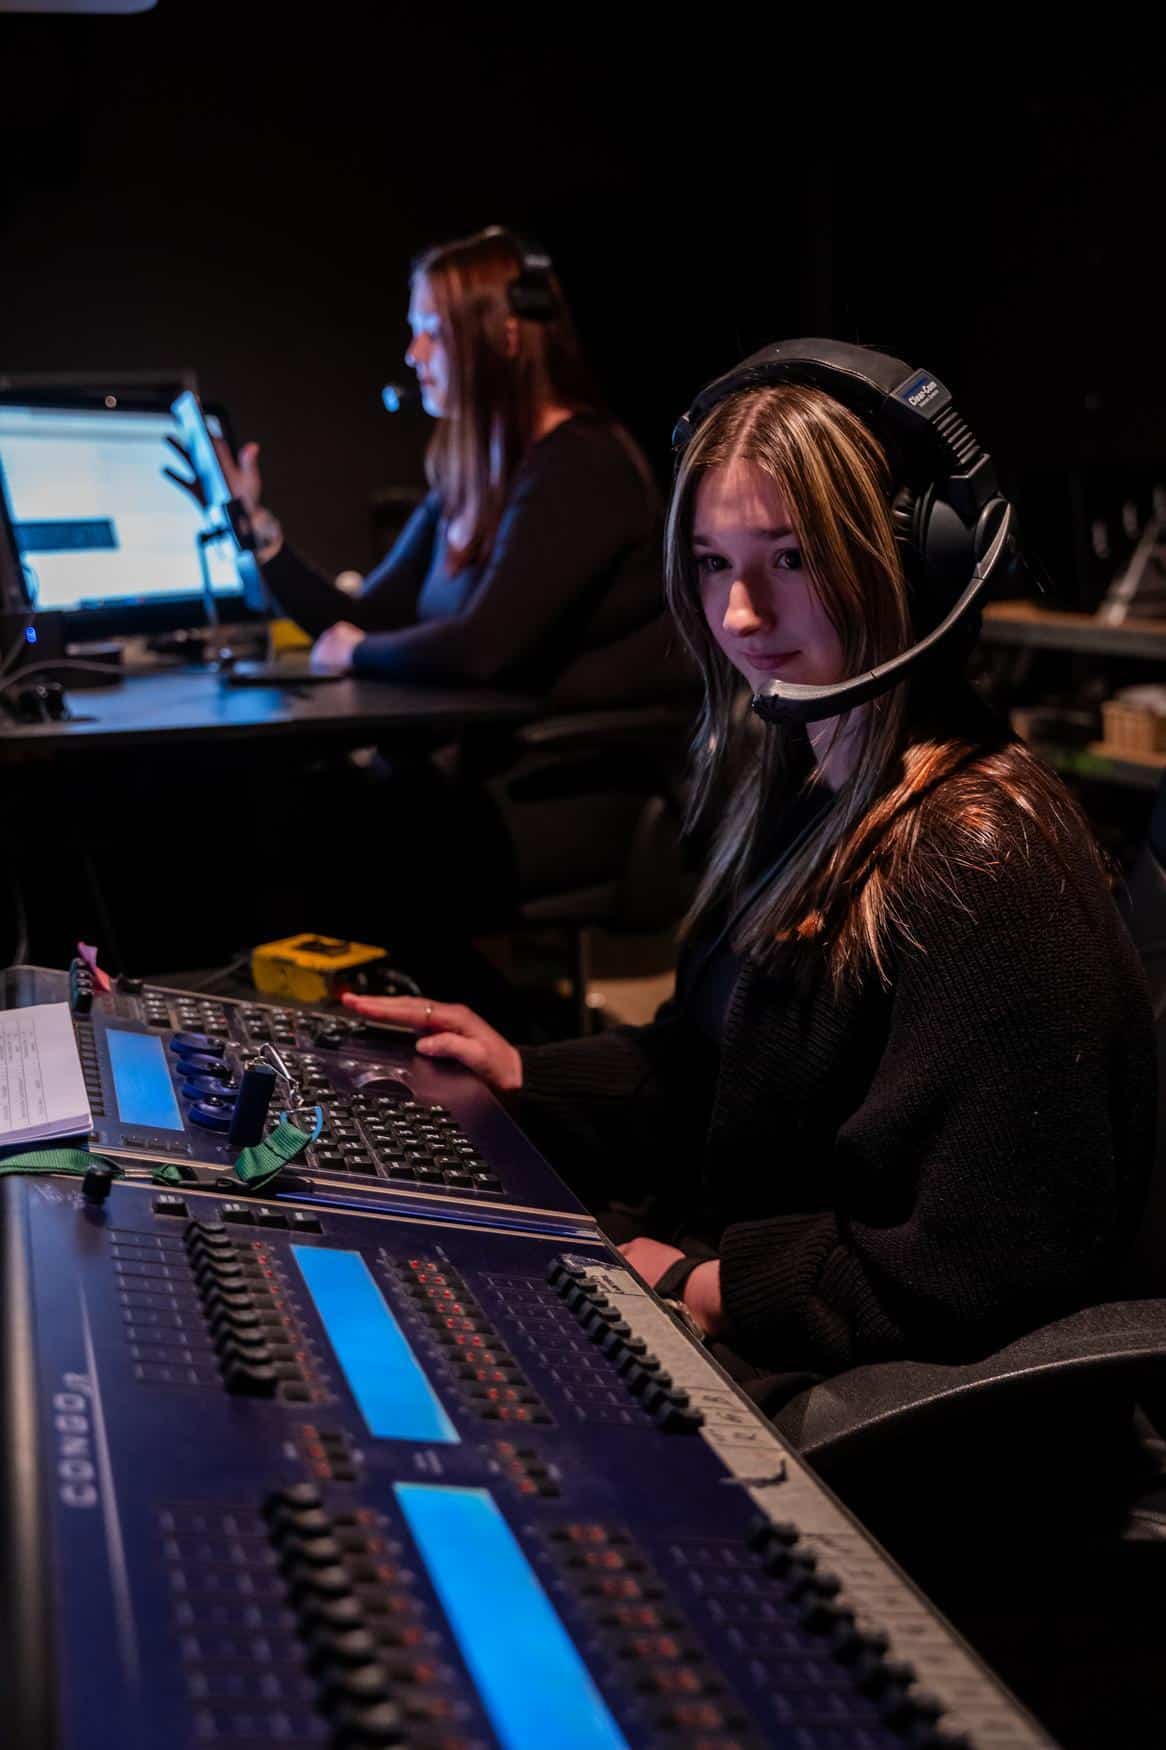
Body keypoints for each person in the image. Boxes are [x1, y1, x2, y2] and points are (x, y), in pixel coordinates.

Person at [338, 343, 1155, 1410]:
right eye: (714, 563)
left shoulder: (971, 856)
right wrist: (523, 1074)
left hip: (872, 1401)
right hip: (760, 1305)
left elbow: (970, 1269)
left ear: (915, 557)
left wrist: (701, 1285)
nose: (738, 617)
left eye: (790, 559)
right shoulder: (808, 781)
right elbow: (708, 1068)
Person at [216, 225, 692, 708]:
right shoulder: (470, 475)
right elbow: (364, 619)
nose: (413, 354)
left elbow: (484, 648)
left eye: (433, 333)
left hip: (557, 765)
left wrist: (359, 653)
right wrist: (256, 530)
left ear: (507, 337)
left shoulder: (580, 463)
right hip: (481, 754)